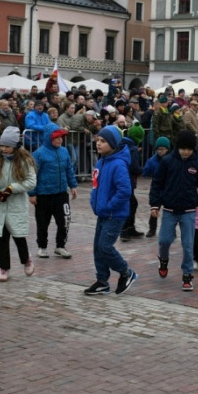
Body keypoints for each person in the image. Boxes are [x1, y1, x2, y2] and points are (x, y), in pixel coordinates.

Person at [150, 130, 198, 291]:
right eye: (183, 148)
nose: (185, 152)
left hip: (189, 210)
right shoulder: (168, 161)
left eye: (189, 149)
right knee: (164, 240)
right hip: (169, 209)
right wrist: (155, 204)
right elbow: (157, 183)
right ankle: (163, 260)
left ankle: (187, 275)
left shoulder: (197, 164)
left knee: (188, 244)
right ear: (177, 147)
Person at [85, 125, 138, 296]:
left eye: (103, 141)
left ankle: (126, 272)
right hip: (102, 212)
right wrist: (94, 202)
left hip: (115, 214)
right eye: (97, 140)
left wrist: (108, 206)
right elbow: (95, 185)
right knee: (97, 247)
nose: (98, 144)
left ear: (113, 144)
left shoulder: (119, 164)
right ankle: (102, 281)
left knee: (105, 247)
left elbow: (124, 190)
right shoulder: (100, 162)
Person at [0, 126, 37, 282]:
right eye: (2, 145)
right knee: (3, 237)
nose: (4, 149)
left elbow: (31, 182)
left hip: (16, 204)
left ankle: (26, 259)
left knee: (18, 234)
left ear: (15, 146)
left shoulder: (24, 160)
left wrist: (12, 188)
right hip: (0, 203)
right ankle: (4, 267)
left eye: (7, 146)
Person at [29, 124, 77, 260]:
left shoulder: (64, 151)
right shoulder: (38, 154)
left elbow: (69, 169)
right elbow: (32, 174)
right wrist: (32, 193)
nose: (60, 140)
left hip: (61, 194)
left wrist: (73, 185)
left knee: (65, 221)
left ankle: (60, 246)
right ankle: (42, 247)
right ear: (49, 138)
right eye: (56, 137)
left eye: (61, 137)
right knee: (42, 223)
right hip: (43, 195)